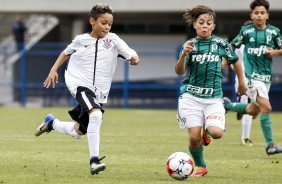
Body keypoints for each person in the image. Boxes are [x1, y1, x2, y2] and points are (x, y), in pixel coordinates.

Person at [34, 4, 139, 175]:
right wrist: (53, 70)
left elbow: (129, 52)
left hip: (99, 92)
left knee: (79, 131)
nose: (107, 27)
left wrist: (134, 58)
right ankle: (94, 161)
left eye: (110, 24)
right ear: (92, 21)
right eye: (104, 23)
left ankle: (51, 123)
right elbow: (65, 53)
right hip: (79, 84)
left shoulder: (113, 40)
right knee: (96, 115)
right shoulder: (80, 40)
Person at [175, 5, 247, 177]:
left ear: (213, 26)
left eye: (209, 23)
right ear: (194, 25)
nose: (205, 26)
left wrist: (242, 83)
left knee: (217, 133)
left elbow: (235, 61)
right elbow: (179, 71)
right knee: (193, 138)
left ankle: (209, 127)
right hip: (191, 97)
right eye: (201, 22)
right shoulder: (189, 45)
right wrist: (184, 55)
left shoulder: (221, 44)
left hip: (213, 98)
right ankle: (201, 166)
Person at [228, 0, 282, 155]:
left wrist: (275, 52)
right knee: (267, 107)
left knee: (253, 110)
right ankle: (270, 145)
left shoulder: (274, 32)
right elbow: (231, 47)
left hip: (266, 78)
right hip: (251, 77)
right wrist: (226, 60)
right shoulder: (246, 32)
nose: (259, 15)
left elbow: (281, 47)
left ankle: (227, 106)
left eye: (262, 13)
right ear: (251, 15)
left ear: (267, 15)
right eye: (256, 13)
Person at [234, 20, 254, 146]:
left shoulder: (240, 46)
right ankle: (245, 138)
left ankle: (237, 107)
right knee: (250, 110)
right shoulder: (243, 46)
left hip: (253, 81)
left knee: (253, 109)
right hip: (245, 82)